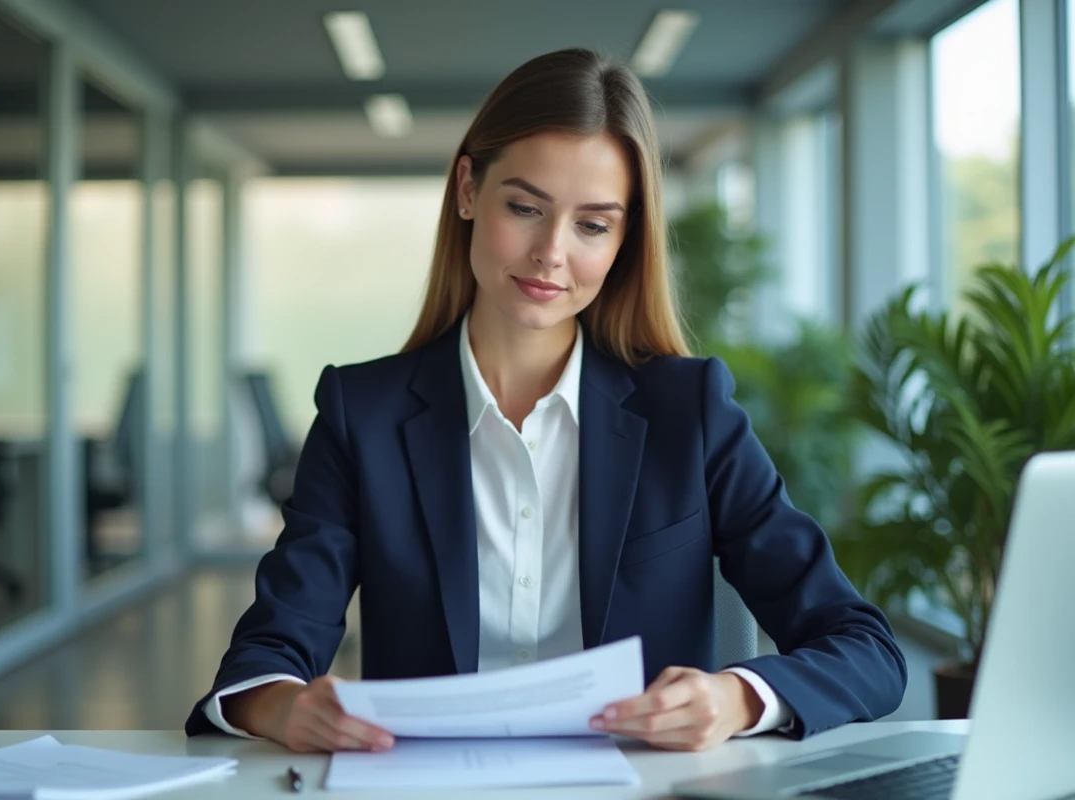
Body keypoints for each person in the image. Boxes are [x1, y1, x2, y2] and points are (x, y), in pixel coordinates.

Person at [185, 47, 907, 753]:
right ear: (468, 188)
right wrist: (285, 709)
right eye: (526, 207)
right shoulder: (362, 414)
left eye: (593, 224)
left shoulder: (690, 412)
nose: (551, 252)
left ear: (625, 239)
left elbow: (864, 649)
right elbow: (268, 654)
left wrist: (734, 698)